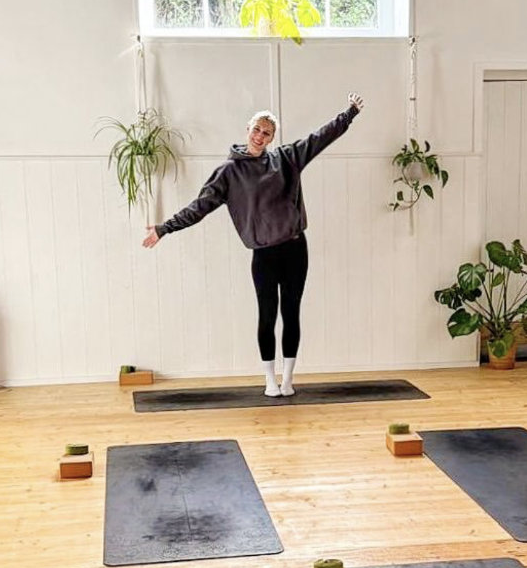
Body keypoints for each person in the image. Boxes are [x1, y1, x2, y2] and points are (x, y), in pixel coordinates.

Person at [143, 93, 365, 396]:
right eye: (257, 130)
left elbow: (319, 138)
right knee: (267, 314)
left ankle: (288, 379)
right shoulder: (229, 172)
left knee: (291, 312)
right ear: (247, 129)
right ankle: (270, 379)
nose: (260, 136)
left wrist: (348, 114)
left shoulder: (286, 159)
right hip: (264, 254)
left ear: (272, 138)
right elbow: (199, 207)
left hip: (295, 249)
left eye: (267, 133)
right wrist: (164, 228)